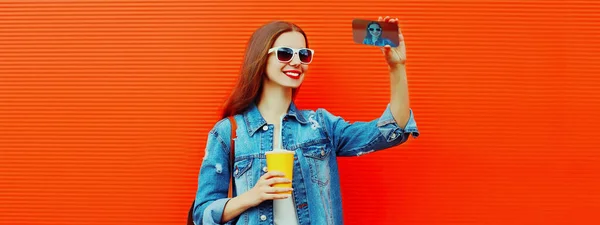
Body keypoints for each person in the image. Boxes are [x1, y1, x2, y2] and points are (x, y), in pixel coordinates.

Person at [193, 16, 419, 225]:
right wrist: (251, 196)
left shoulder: (320, 126)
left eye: (303, 55)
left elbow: (392, 130)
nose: (296, 62)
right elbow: (202, 215)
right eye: (284, 53)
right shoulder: (228, 132)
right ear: (261, 58)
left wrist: (396, 67)